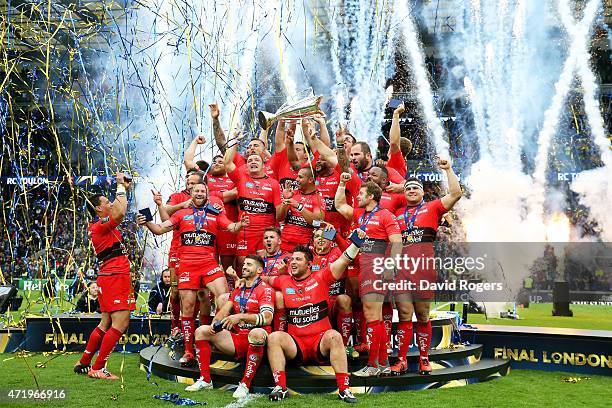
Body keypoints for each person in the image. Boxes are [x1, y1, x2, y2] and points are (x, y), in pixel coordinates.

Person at [139, 180, 249, 366]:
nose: (199, 193)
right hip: (188, 267)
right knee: (188, 309)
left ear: (207, 194)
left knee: (225, 297)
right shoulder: (181, 214)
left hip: (209, 264)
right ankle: (190, 352)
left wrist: (241, 223)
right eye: (196, 190)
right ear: (191, 193)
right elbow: (159, 230)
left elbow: (231, 227)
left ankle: (220, 335)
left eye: (202, 191)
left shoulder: (216, 213)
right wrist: (147, 222)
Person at [262, 240, 365, 404]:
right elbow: (263, 280)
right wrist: (244, 280)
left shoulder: (321, 276)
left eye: (298, 259)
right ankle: (280, 388)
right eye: (292, 259)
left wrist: (357, 243)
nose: (293, 262)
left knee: (334, 336)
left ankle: (344, 389)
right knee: (274, 337)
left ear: (309, 264)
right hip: (296, 344)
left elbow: (344, 259)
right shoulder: (283, 280)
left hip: (320, 341)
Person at [391, 158, 462, 376]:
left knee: (422, 316)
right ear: (404, 193)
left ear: (422, 193)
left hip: (423, 270)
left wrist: (448, 169)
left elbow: (456, 194)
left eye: (416, 188)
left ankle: (424, 359)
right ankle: (401, 360)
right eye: (408, 188)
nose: (411, 191)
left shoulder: (432, 208)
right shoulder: (397, 215)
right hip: (402, 271)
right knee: (404, 315)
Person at [334, 178, 402, 377]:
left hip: (377, 268)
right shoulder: (360, 215)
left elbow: (397, 243)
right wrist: (341, 184)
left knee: (371, 316)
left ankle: (372, 366)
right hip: (365, 267)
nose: (357, 197)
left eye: (361, 194)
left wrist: (390, 266)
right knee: (376, 318)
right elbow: (339, 205)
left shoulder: (385, 215)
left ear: (371, 196)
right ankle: (383, 364)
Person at [186, 255, 274, 399]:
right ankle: (205, 380)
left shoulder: (265, 290)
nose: (244, 266)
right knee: (201, 331)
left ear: (259, 271)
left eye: (249, 264)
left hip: (258, 339)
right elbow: (225, 310)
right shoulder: (239, 289)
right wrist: (216, 323)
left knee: (256, 333)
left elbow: (267, 318)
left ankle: (245, 384)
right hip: (238, 338)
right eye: (244, 264)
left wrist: (240, 317)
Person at [74, 172, 134, 380]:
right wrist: (119, 187)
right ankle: (98, 368)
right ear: (99, 208)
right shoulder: (101, 225)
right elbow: (120, 213)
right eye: (107, 202)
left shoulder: (99, 227)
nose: (110, 204)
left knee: (105, 323)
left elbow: (119, 210)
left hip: (110, 276)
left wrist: (124, 190)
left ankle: (84, 362)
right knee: (121, 323)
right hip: (114, 276)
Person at [224, 131, 282, 270]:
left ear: (263, 164)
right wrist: (234, 140)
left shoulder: (273, 183)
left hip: (265, 234)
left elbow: (280, 214)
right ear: (246, 166)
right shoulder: (241, 178)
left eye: (256, 160)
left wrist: (285, 204)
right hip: (245, 232)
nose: (253, 162)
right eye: (250, 160)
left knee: (263, 269)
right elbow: (227, 162)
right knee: (244, 268)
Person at [311, 227, 354, 354]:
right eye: (317, 236)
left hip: (333, 302)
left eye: (325, 236)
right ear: (312, 241)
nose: (320, 238)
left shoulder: (338, 252)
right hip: (313, 304)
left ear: (331, 241)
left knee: (344, 299)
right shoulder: (306, 256)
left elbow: (350, 252)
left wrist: (335, 234)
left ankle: (345, 346)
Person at [277, 165, 323, 251]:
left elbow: (317, 223)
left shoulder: (318, 198)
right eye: (297, 176)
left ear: (310, 180)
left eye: (300, 177)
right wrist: (286, 200)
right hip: (284, 244)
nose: (296, 179)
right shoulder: (293, 193)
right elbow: (279, 218)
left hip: (303, 248)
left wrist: (299, 207)